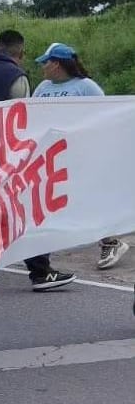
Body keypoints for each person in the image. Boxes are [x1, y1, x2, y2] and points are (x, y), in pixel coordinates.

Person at [0, 31, 76, 290]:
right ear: (21, 53)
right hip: (8, 155)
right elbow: (23, 120)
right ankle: (40, 271)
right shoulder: (15, 77)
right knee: (26, 209)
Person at [32, 43, 128, 270]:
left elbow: (104, 118)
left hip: (79, 153)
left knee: (86, 199)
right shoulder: (43, 87)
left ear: (56, 64)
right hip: (50, 154)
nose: (43, 67)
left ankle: (111, 241)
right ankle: (39, 252)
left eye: (45, 62)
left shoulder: (86, 87)